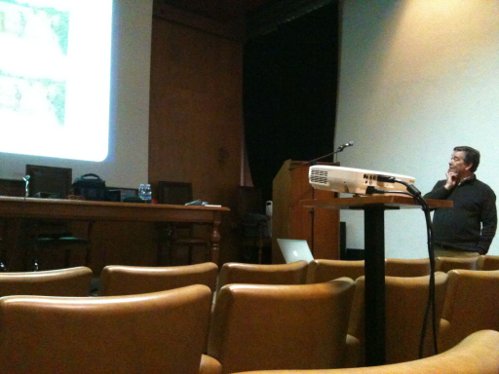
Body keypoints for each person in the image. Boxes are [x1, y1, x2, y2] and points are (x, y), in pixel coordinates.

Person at [424, 146, 497, 257]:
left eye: (456, 159)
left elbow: (490, 224)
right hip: (438, 250)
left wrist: (481, 250)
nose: (450, 162)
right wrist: (447, 187)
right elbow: (425, 205)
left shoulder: (484, 191)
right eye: (451, 158)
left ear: (468, 165)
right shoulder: (441, 185)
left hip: (467, 253)